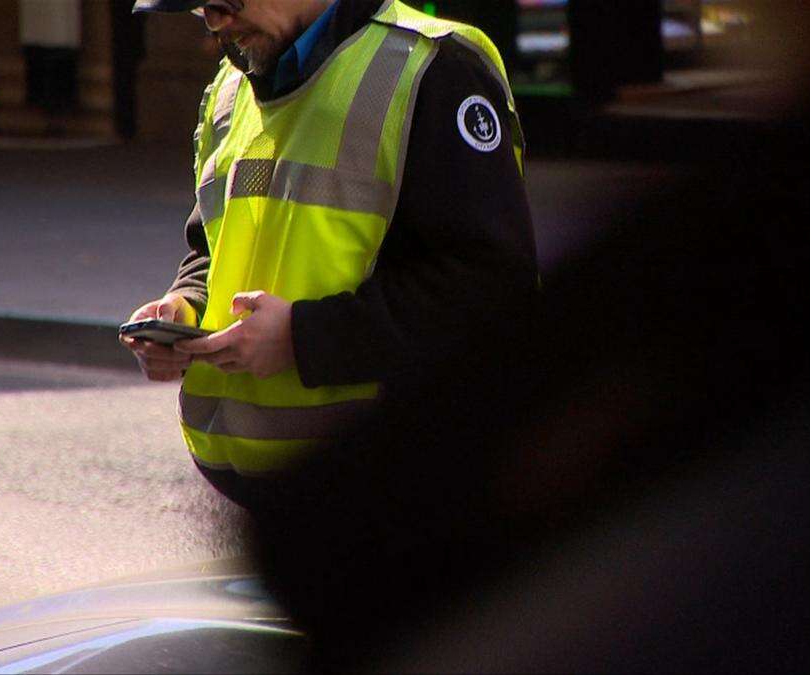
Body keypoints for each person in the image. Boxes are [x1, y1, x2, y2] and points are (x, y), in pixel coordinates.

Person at [121, 0, 537, 509]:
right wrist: (185, 306)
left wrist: (302, 338)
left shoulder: (435, 68)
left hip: (401, 497)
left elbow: (491, 290)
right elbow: (212, 241)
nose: (214, 23)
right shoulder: (232, 88)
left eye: (223, 2)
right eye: (200, 8)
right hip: (279, 505)